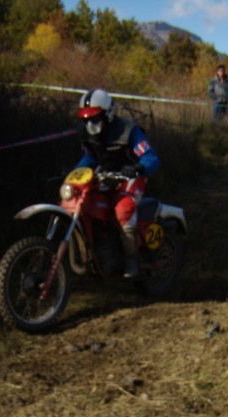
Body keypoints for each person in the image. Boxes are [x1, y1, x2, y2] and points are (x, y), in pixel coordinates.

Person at [75, 88, 160, 278]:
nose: (90, 124)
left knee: (123, 209)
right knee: (86, 203)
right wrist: (74, 173)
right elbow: (90, 158)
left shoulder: (128, 131)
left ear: (108, 114)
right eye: (85, 120)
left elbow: (151, 157)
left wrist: (138, 168)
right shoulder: (87, 134)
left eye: (94, 118)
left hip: (130, 178)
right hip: (105, 177)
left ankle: (132, 259)